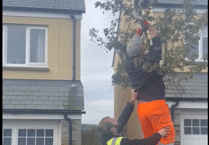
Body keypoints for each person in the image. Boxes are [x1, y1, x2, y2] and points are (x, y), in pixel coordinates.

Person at [125, 20, 175, 145]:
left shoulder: (128, 63)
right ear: (141, 48)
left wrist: (139, 33)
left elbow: (132, 47)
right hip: (156, 106)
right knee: (166, 140)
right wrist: (149, 27)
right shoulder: (150, 60)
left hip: (142, 109)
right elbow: (156, 41)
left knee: (151, 141)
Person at [98, 89, 170, 145]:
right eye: (113, 120)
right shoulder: (120, 142)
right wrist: (159, 135)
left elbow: (123, 119)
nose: (116, 119)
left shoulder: (107, 138)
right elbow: (141, 144)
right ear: (113, 129)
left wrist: (132, 101)